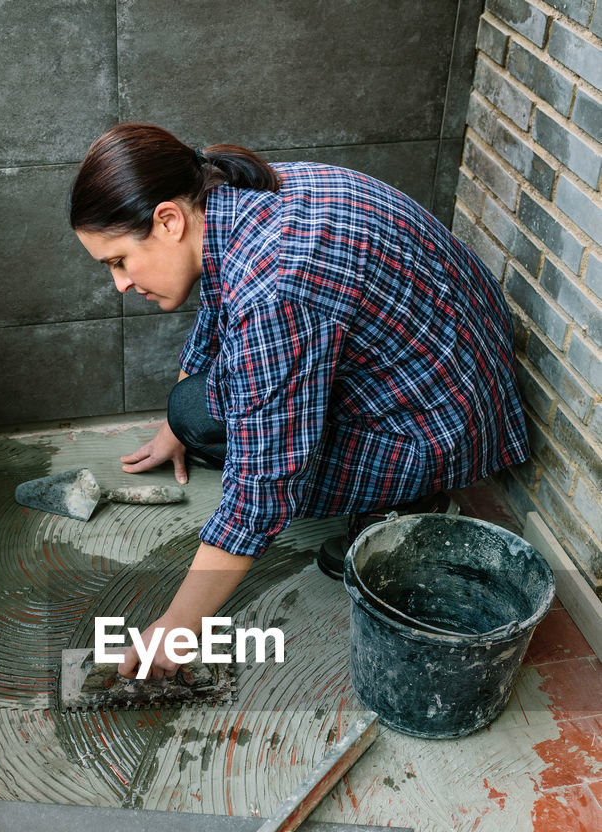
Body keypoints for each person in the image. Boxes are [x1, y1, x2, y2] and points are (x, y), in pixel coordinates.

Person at [70, 123, 529, 679]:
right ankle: (387, 479)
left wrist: (178, 627)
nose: (119, 283)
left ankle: (411, 503)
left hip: (445, 425)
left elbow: (263, 486)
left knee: (249, 454)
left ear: (168, 220)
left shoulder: (276, 285)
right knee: (196, 411)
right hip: (445, 370)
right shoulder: (235, 196)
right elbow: (219, 306)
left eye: (119, 261)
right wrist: (177, 427)